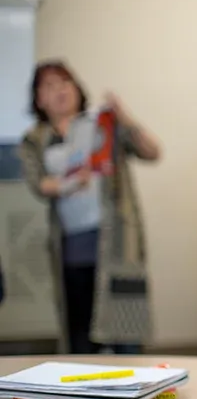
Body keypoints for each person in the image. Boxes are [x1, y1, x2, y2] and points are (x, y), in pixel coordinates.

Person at [17, 60, 161, 354]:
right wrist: (68, 183)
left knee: (126, 331)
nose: (60, 90)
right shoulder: (35, 139)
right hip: (72, 247)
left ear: (77, 88)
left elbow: (152, 152)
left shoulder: (104, 123)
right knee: (81, 335)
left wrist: (125, 117)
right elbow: (38, 184)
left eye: (65, 82)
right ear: (38, 98)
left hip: (117, 243)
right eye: (50, 85)